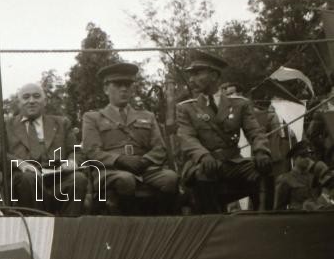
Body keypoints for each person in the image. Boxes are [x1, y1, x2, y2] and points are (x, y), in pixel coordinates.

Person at [176, 51, 271, 213]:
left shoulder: (240, 104)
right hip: (204, 163)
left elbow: (255, 131)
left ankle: (264, 218)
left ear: (214, 75)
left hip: (233, 162)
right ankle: (214, 222)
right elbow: (187, 138)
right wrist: (203, 155)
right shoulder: (186, 108)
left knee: (264, 168)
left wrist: (261, 151)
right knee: (204, 173)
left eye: (197, 73)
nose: (191, 79)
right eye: (191, 75)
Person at [82, 62, 178, 214]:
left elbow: (159, 148)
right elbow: (92, 151)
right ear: (106, 89)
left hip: (144, 168)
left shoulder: (147, 116)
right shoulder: (93, 117)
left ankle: (160, 221)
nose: (124, 89)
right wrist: (119, 160)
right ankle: (128, 222)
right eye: (117, 84)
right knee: (125, 179)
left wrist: (145, 161)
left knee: (170, 178)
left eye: (127, 84)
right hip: (111, 171)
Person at [0, 83, 87, 215]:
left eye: (36, 96)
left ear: (45, 101)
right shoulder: (7, 125)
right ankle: (37, 224)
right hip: (25, 179)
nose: (31, 101)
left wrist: (72, 161)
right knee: (28, 178)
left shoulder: (61, 123)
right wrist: (20, 164)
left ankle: (68, 226)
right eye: (26, 97)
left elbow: (76, 151)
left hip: (57, 178)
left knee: (78, 179)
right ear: (19, 103)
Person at [274, 140, 331, 210]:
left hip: (316, 214)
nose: (307, 159)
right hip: (297, 215)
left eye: (309, 155)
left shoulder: (314, 177)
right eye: (303, 156)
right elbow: (279, 210)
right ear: (295, 158)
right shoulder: (285, 179)